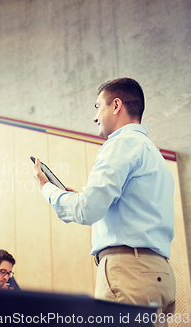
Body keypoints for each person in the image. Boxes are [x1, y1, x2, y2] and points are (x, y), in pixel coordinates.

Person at [33, 78, 175, 321]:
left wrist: (47, 188)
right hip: (159, 275)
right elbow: (131, 208)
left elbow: (87, 210)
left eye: (97, 106)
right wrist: (81, 197)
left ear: (116, 105)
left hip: (129, 274)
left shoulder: (121, 143)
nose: (95, 117)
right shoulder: (153, 153)